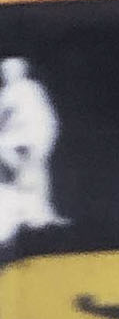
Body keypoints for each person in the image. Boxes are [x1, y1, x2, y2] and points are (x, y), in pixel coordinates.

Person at [0, 56, 64, 246]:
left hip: (28, 142)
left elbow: (42, 122)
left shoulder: (29, 90)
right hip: (17, 145)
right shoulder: (10, 92)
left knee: (32, 184)